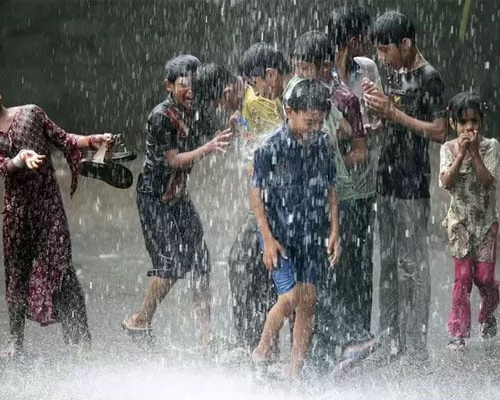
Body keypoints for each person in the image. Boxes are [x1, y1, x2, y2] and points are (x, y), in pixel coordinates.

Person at [0, 76, 114, 357]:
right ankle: (16, 340)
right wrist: (21, 158)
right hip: (18, 216)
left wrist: (92, 140)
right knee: (17, 275)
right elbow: (1, 166)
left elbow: (64, 139)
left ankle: (80, 343)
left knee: (63, 271)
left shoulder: (31, 112)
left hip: (49, 208)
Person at [122, 55, 232, 347]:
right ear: (168, 86)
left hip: (179, 197)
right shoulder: (161, 117)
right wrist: (207, 147)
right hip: (154, 198)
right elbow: (173, 160)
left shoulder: (197, 109)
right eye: (184, 85)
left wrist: (235, 124)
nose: (191, 90)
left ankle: (205, 340)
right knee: (169, 264)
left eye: (194, 83)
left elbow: (217, 133)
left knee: (200, 262)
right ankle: (139, 321)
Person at [362, 10, 448, 364]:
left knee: (413, 266)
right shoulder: (396, 74)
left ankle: (416, 348)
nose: (382, 58)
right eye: (378, 52)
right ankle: (389, 341)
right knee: (388, 262)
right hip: (386, 181)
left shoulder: (430, 78)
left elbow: (441, 132)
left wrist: (394, 114)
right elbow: (394, 123)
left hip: (413, 185)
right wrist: (376, 116)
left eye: (386, 50)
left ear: (406, 43)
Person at [283, 30, 369, 372]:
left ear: (323, 67)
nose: (301, 73)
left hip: (335, 198)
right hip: (301, 202)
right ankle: (313, 356)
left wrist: (331, 168)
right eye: (297, 66)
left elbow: (358, 146)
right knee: (309, 281)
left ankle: (340, 347)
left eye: (307, 67)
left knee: (331, 276)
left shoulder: (341, 99)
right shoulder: (293, 94)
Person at [250, 79, 339, 378]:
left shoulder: (323, 144)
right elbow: (256, 193)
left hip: (312, 235)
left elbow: (331, 189)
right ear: (289, 111)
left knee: (308, 300)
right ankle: (261, 351)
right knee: (289, 299)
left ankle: (294, 371)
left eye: (319, 121)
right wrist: (267, 239)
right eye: (308, 120)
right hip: (281, 238)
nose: (314, 127)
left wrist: (334, 230)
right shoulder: (269, 148)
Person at [227, 42, 290, 353]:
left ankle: (258, 346)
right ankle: (263, 346)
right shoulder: (274, 98)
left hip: (277, 203)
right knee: (260, 269)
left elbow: (272, 155)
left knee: (250, 264)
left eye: (255, 84)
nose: (256, 91)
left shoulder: (266, 103)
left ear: (269, 75)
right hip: (272, 199)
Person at [328, 4, 380, 360]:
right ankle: (338, 339)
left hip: (363, 188)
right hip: (334, 191)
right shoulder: (322, 78)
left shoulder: (368, 71)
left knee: (362, 263)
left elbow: (376, 115)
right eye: (363, 37)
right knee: (336, 264)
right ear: (353, 39)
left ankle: (360, 335)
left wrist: (370, 128)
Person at [439, 92, 500, 349]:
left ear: (482, 122)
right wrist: (461, 155)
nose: (469, 128)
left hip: (485, 223)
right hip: (460, 223)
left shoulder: (490, 147)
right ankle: (458, 331)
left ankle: (487, 313)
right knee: (462, 277)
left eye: (474, 121)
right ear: (453, 125)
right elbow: (446, 182)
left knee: (484, 277)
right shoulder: (447, 149)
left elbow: (488, 182)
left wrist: (474, 153)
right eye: (463, 123)